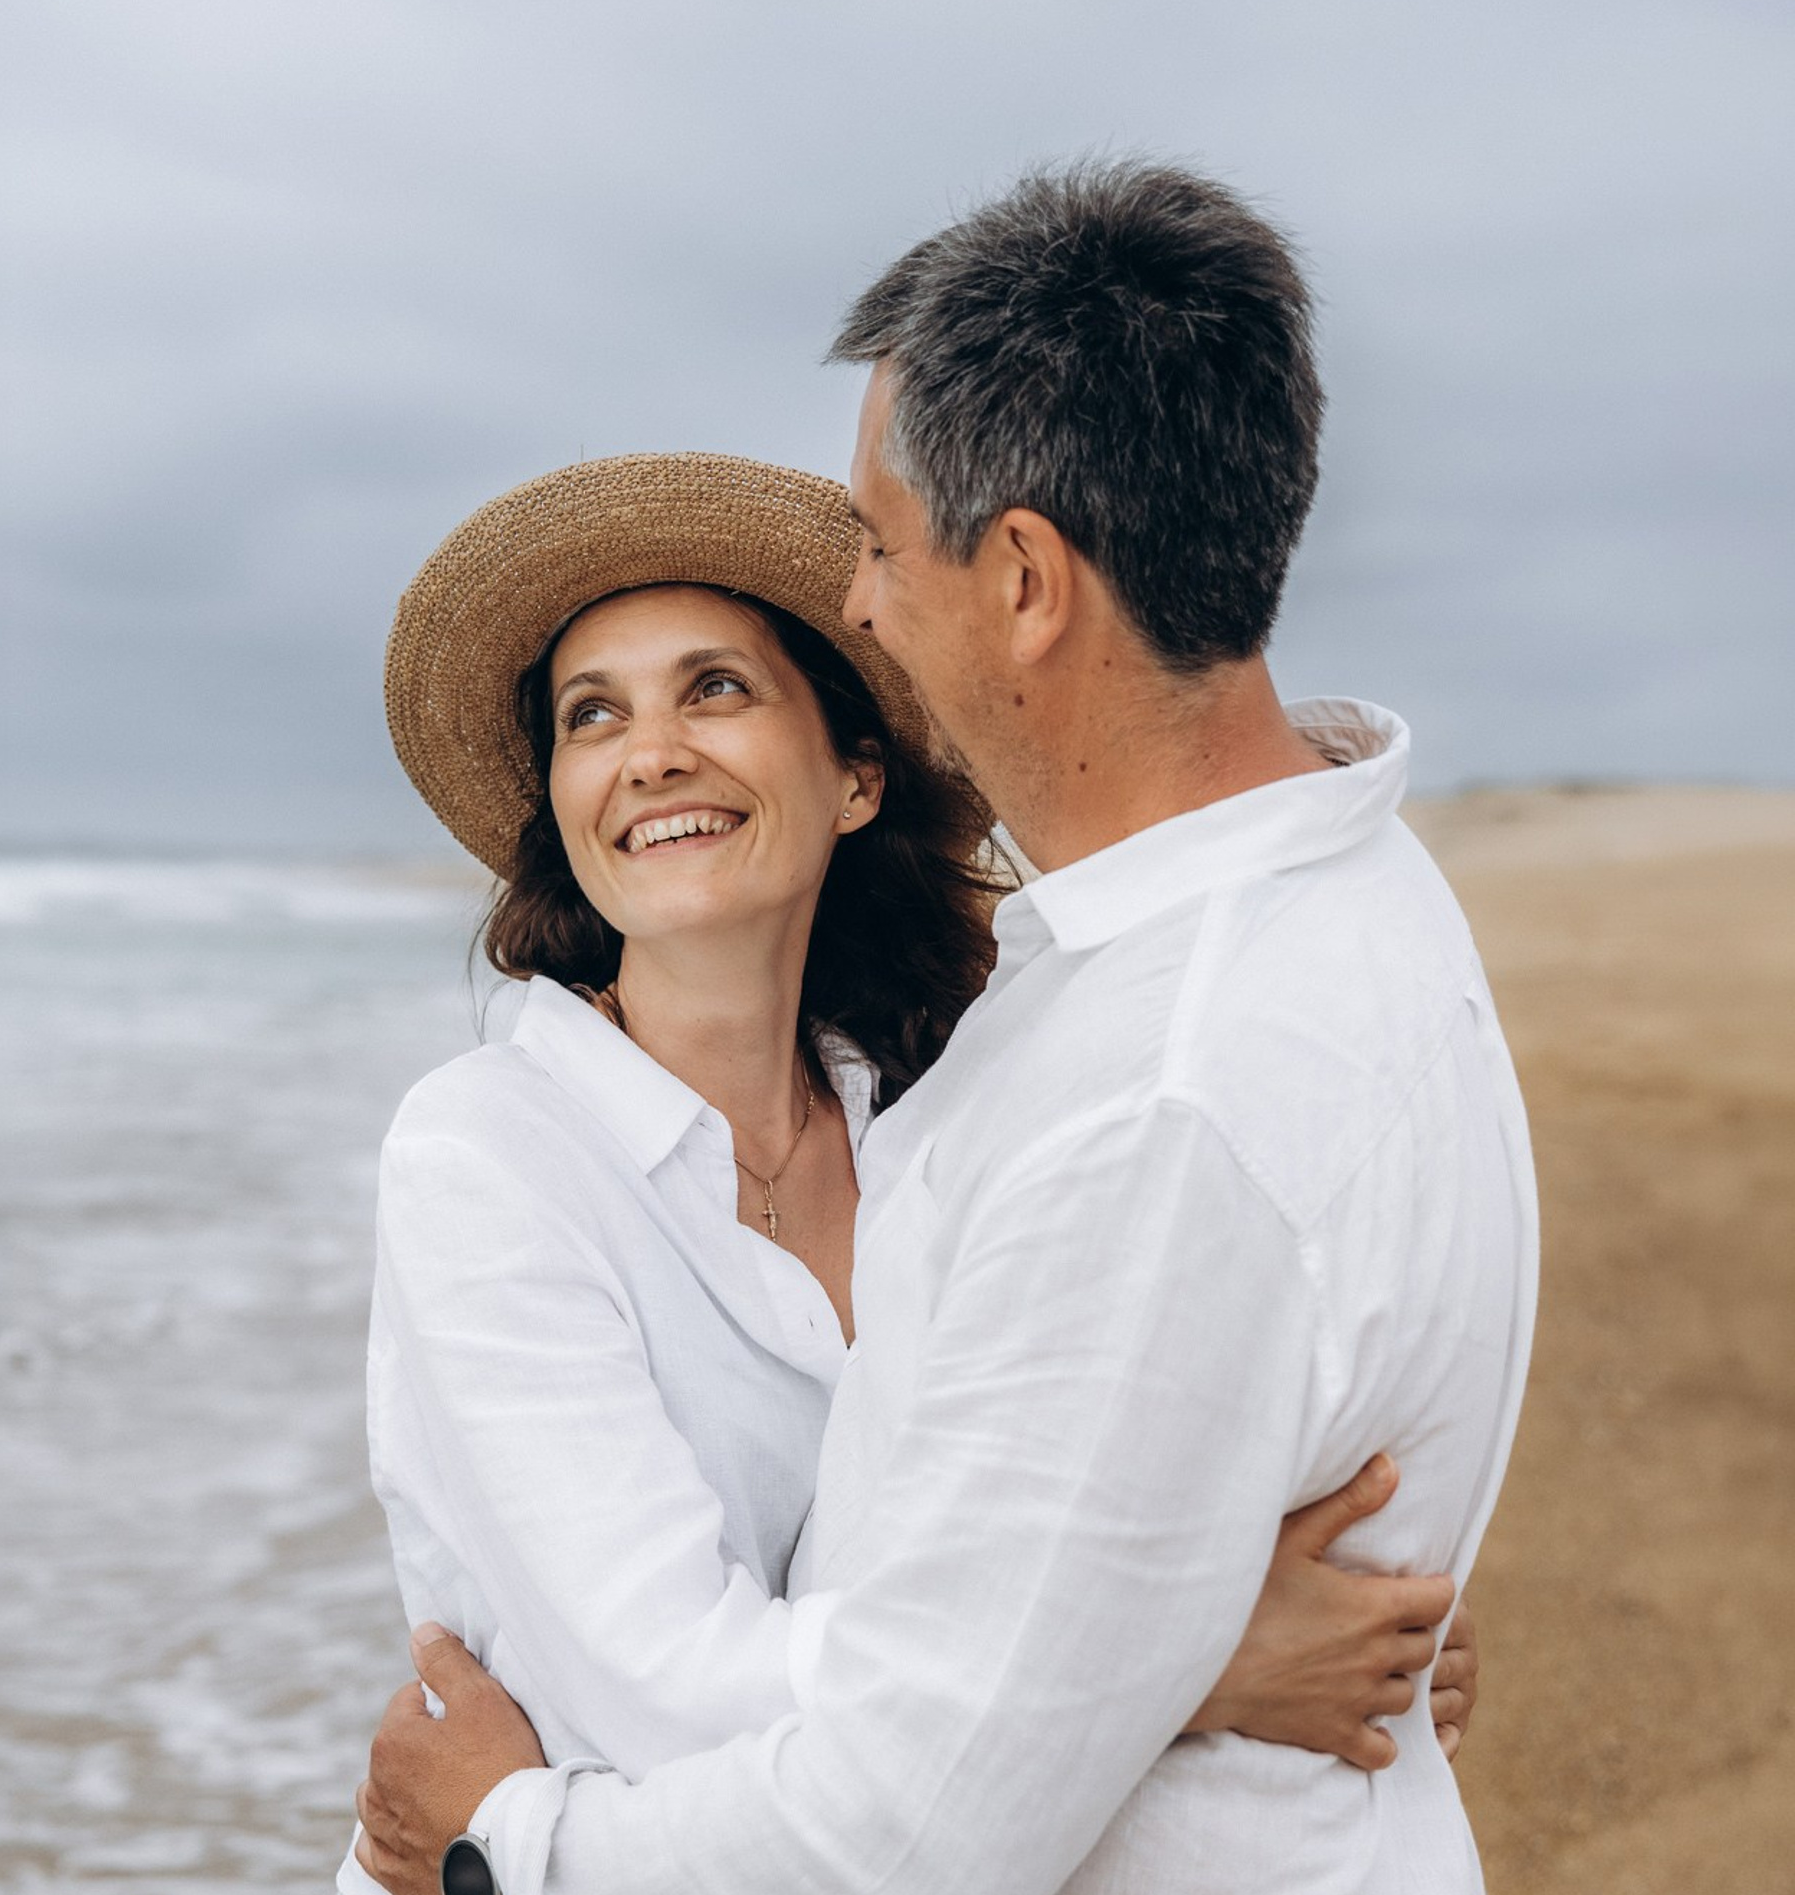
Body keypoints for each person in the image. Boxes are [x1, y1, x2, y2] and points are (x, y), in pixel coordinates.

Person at [361, 160, 1538, 1895]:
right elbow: (876, 1670)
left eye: (881, 545)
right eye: (591, 717)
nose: (859, 598)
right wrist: (1170, 1660)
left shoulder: (1111, 1090)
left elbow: (928, 1793)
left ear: (1024, 583)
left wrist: (503, 1847)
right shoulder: (1299, 936)